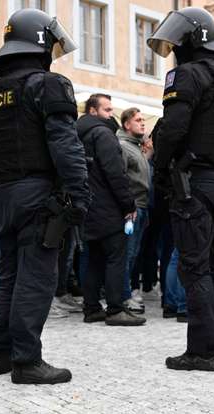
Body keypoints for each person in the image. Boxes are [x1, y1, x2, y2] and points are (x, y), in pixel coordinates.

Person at [0, 8, 90, 384]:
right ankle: (27, 360)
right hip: (36, 192)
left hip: (2, 192)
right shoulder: (48, 84)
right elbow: (65, 144)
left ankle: (1, 353)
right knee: (37, 277)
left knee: (10, 273)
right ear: (40, 43)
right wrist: (79, 194)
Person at [147, 6, 214, 372]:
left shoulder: (187, 74)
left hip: (192, 182)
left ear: (192, 40)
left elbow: (173, 129)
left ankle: (202, 351)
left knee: (194, 266)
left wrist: (159, 168)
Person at [77, 94, 145, 326]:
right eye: (107, 110)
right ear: (93, 111)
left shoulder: (77, 134)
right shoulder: (103, 134)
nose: (111, 114)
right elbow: (115, 173)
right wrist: (128, 204)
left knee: (94, 259)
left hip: (87, 206)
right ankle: (116, 308)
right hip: (107, 206)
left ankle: (92, 308)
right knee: (116, 257)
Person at [117, 107, 152, 314]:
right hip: (132, 208)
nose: (142, 123)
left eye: (143, 120)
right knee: (127, 254)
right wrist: (127, 206)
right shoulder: (123, 146)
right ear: (127, 124)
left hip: (141, 206)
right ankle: (123, 296)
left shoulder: (136, 147)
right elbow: (120, 178)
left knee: (134, 253)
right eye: (138, 120)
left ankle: (126, 293)